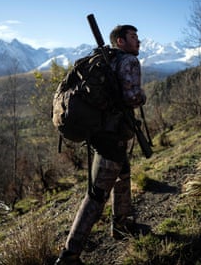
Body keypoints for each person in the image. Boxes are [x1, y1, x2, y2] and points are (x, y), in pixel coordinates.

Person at [55, 24, 146, 265]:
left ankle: (122, 225)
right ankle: (69, 255)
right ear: (119, 41)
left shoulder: (105, 60)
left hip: (99, 132)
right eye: (133, 37)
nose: (138, 41)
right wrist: (142, 96)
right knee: (96, 195)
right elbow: (133, 98)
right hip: (111, 136)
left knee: (123, 173)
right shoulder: (128, 62)